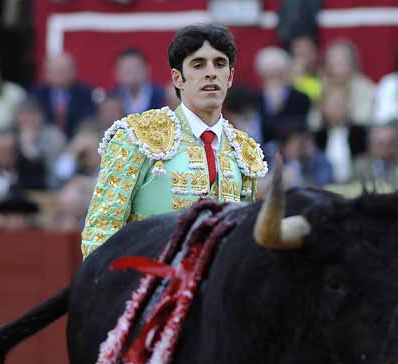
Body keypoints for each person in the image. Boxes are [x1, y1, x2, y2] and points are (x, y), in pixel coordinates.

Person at [81, 24, 267, 258]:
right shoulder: (138, 136)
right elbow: (101, 228)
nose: (210, 72)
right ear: (177, 78)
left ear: (229, 77)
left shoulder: (243, 149)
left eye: (219, 64)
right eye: (198, 64)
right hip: (148, 287)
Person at [111, 48, 165, 115]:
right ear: (116, 72)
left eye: (135, 68)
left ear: (147, 69)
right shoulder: (111, 99)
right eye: (127, 70)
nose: (131, 74)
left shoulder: (163, 97)